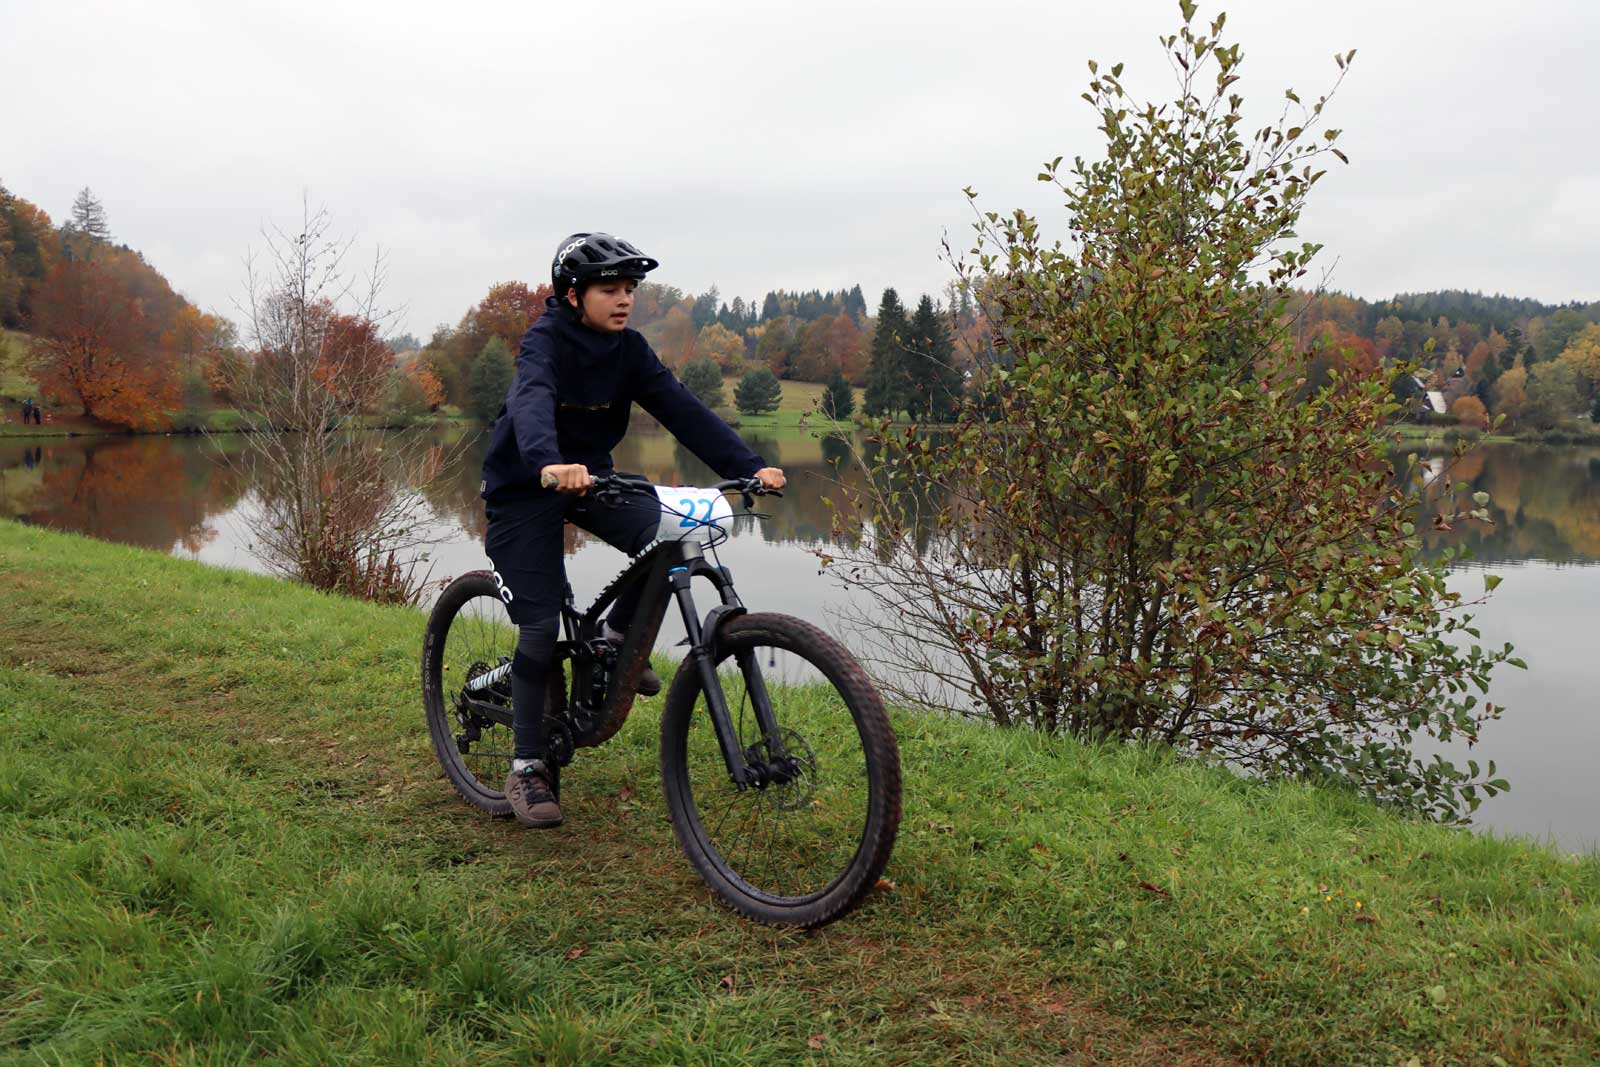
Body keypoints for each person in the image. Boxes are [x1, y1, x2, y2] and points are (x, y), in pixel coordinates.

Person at [479, 233, 785, 829]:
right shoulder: (545, 341)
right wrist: (548, 461)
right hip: (525, 484)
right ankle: (527, 766)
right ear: (573, 296)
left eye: (629, 289)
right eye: (609, 289)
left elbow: (682, 409)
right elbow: (532, 400)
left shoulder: (629, 350)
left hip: (593, 480)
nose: (624, 300)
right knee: (539, 630)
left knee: (669, 535)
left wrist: (747, 466)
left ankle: (617, 641)